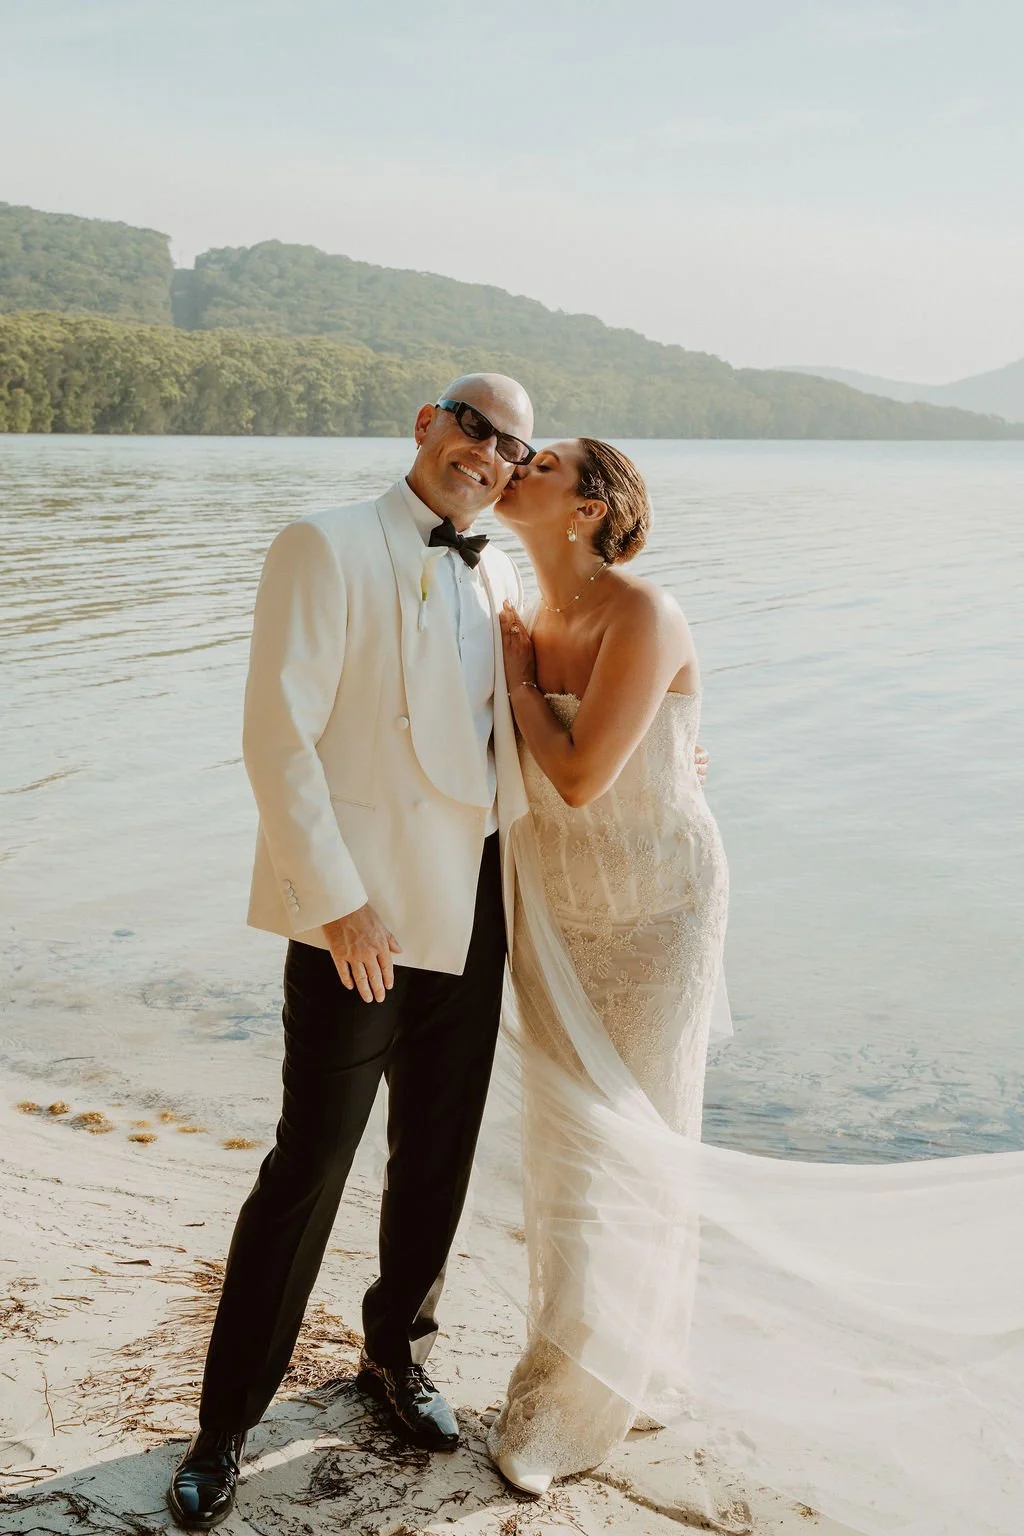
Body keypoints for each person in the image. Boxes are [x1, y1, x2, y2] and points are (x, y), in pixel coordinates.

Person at [479, 439, 1024, 1536]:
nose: (511, 468)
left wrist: (522, 683)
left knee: (634, 1137)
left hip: (655, 908)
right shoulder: (508, 600)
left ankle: (583, 1403)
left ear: (586, 511)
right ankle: (597, 1366)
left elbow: (581, 778)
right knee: (562, 1147)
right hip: (552, 900)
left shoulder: (641, 613)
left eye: (535, 462)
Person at [166, 374, 538, 1530]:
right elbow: (276, 740)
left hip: (473, 911)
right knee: (308, 1167)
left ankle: (395, 1359)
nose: (486, 451)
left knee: (436, 1162)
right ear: (425, 424)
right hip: (358, 928)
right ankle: (224, 1424)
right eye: (471, 424)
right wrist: (337, 904)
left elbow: (532, 729)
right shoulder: (320, 545)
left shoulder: (506, 570)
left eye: (511, 446)